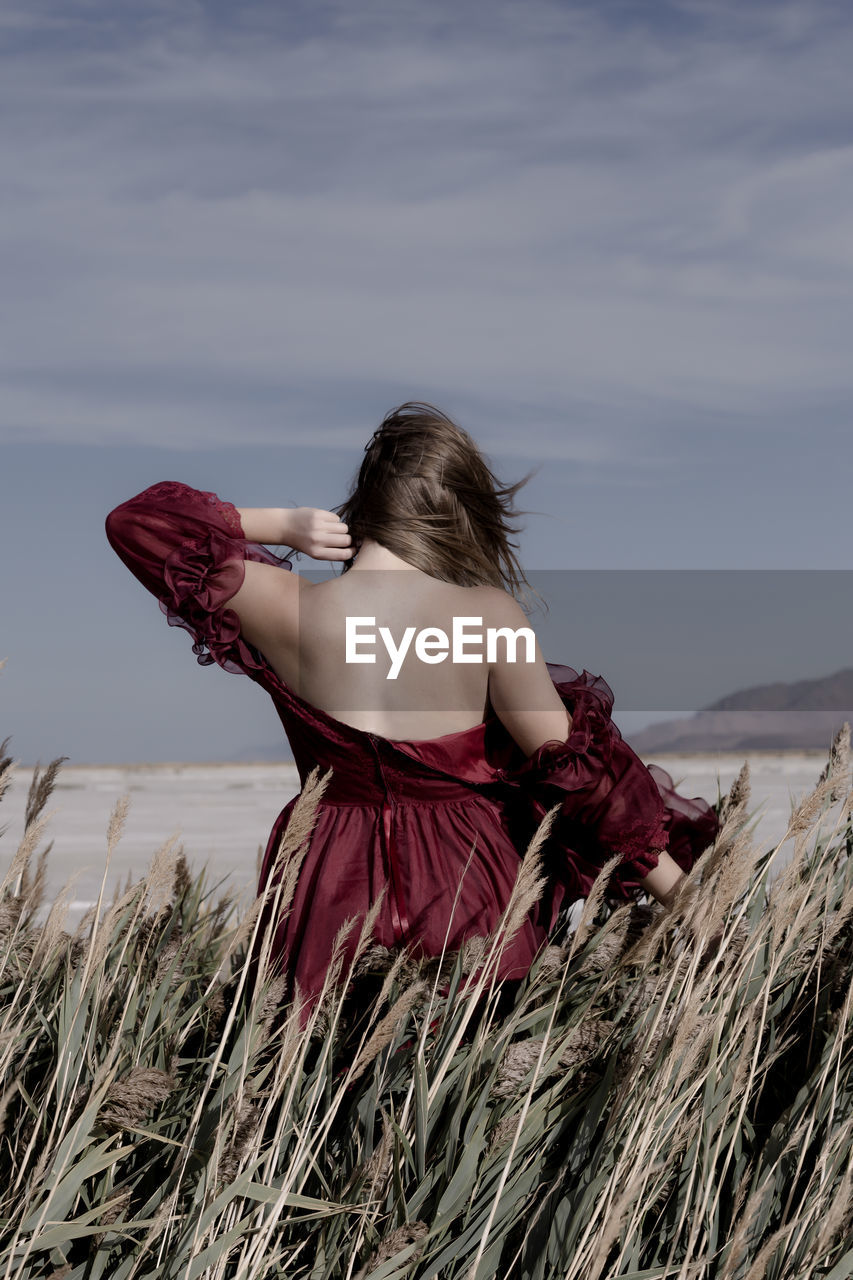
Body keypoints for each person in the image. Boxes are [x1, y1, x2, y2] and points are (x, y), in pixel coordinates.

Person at [105, 402, 718, 1023]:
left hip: (327, 885)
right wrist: (687, 902)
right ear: (460, 513)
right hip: (468, 888)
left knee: (320, 1094)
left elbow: (136, 522)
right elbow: (581, 779)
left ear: (362, 508)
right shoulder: (487, 615)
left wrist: (279, 526)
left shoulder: (288, 606)